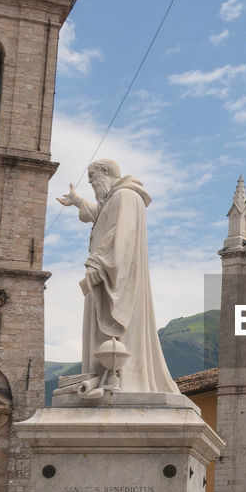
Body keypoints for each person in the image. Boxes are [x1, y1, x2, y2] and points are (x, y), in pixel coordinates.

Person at [55, 159, 178, 396]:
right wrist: (78, 201)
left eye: (92, 175)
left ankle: (122, 379)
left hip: (113, 274)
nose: (89, 180)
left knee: (113, 336)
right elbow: (103, 216)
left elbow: (118, 233)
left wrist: (96, 264)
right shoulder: (118, 198)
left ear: (105, 172)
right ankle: (104, 377)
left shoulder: (125, 196)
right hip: (108, 273)